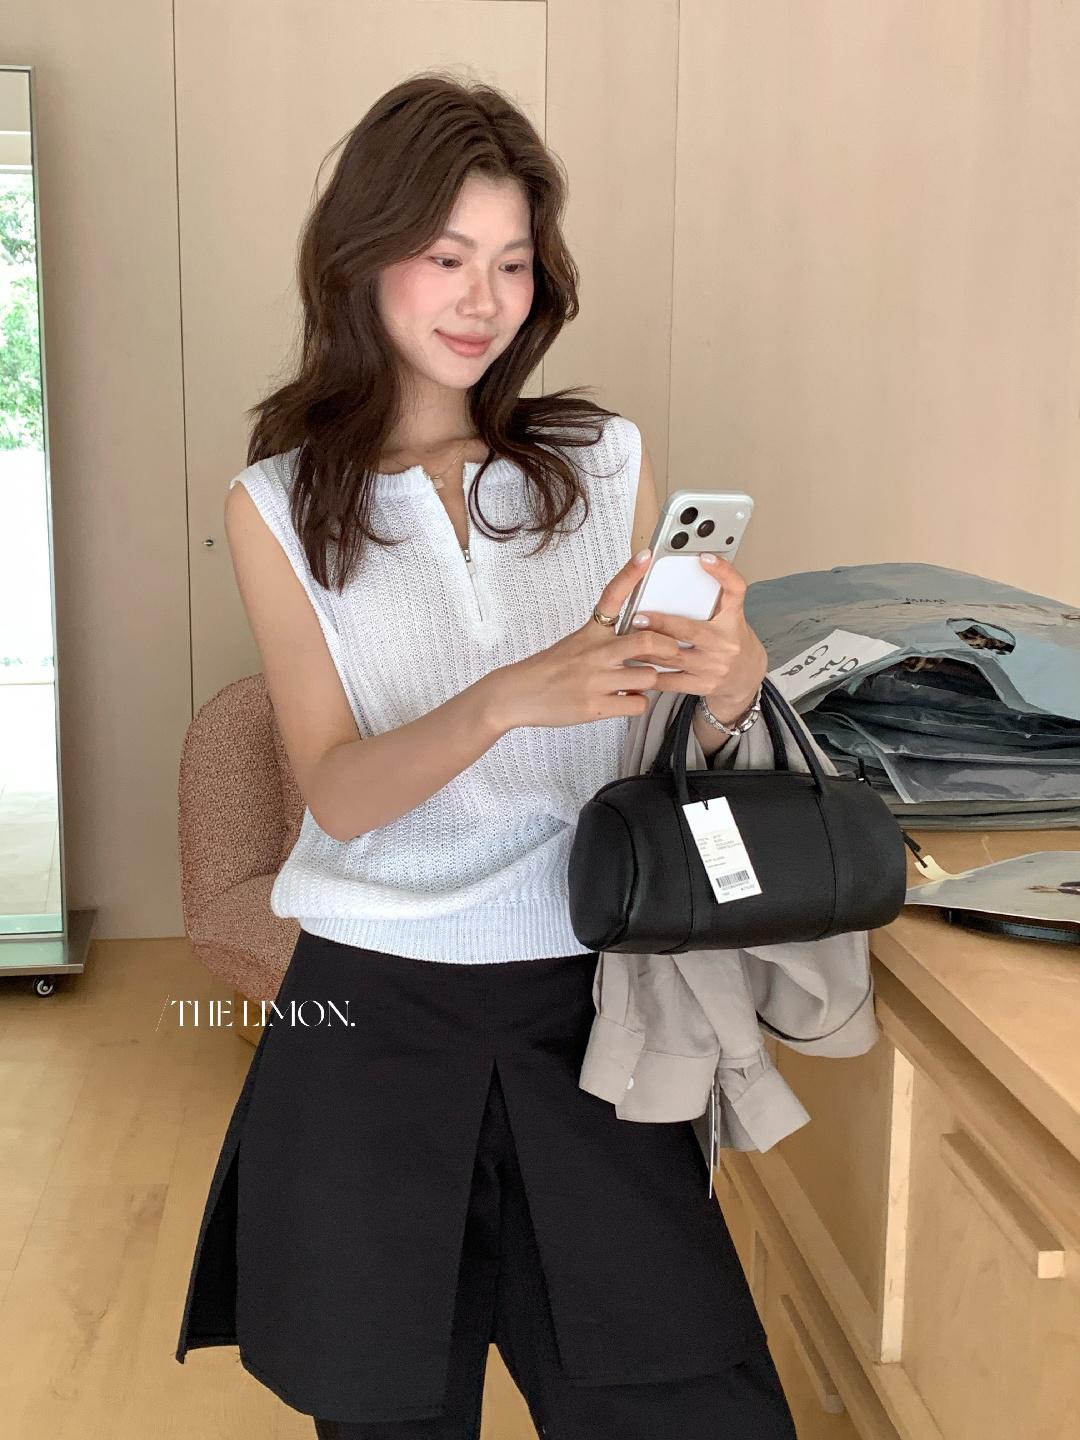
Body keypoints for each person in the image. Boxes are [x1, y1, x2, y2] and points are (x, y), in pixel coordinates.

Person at [174, 71, 796, 1440]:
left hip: (591, 1006)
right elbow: (336, 792)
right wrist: (506, 699)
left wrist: (730, 684)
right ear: (360, 258)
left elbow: (659, 744)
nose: (483, 298)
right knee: (385, 1412)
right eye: (446, 256)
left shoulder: (602, 460)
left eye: (513, 262)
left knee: (694, 1406)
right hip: (366, 1017)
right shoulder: (279, 504)